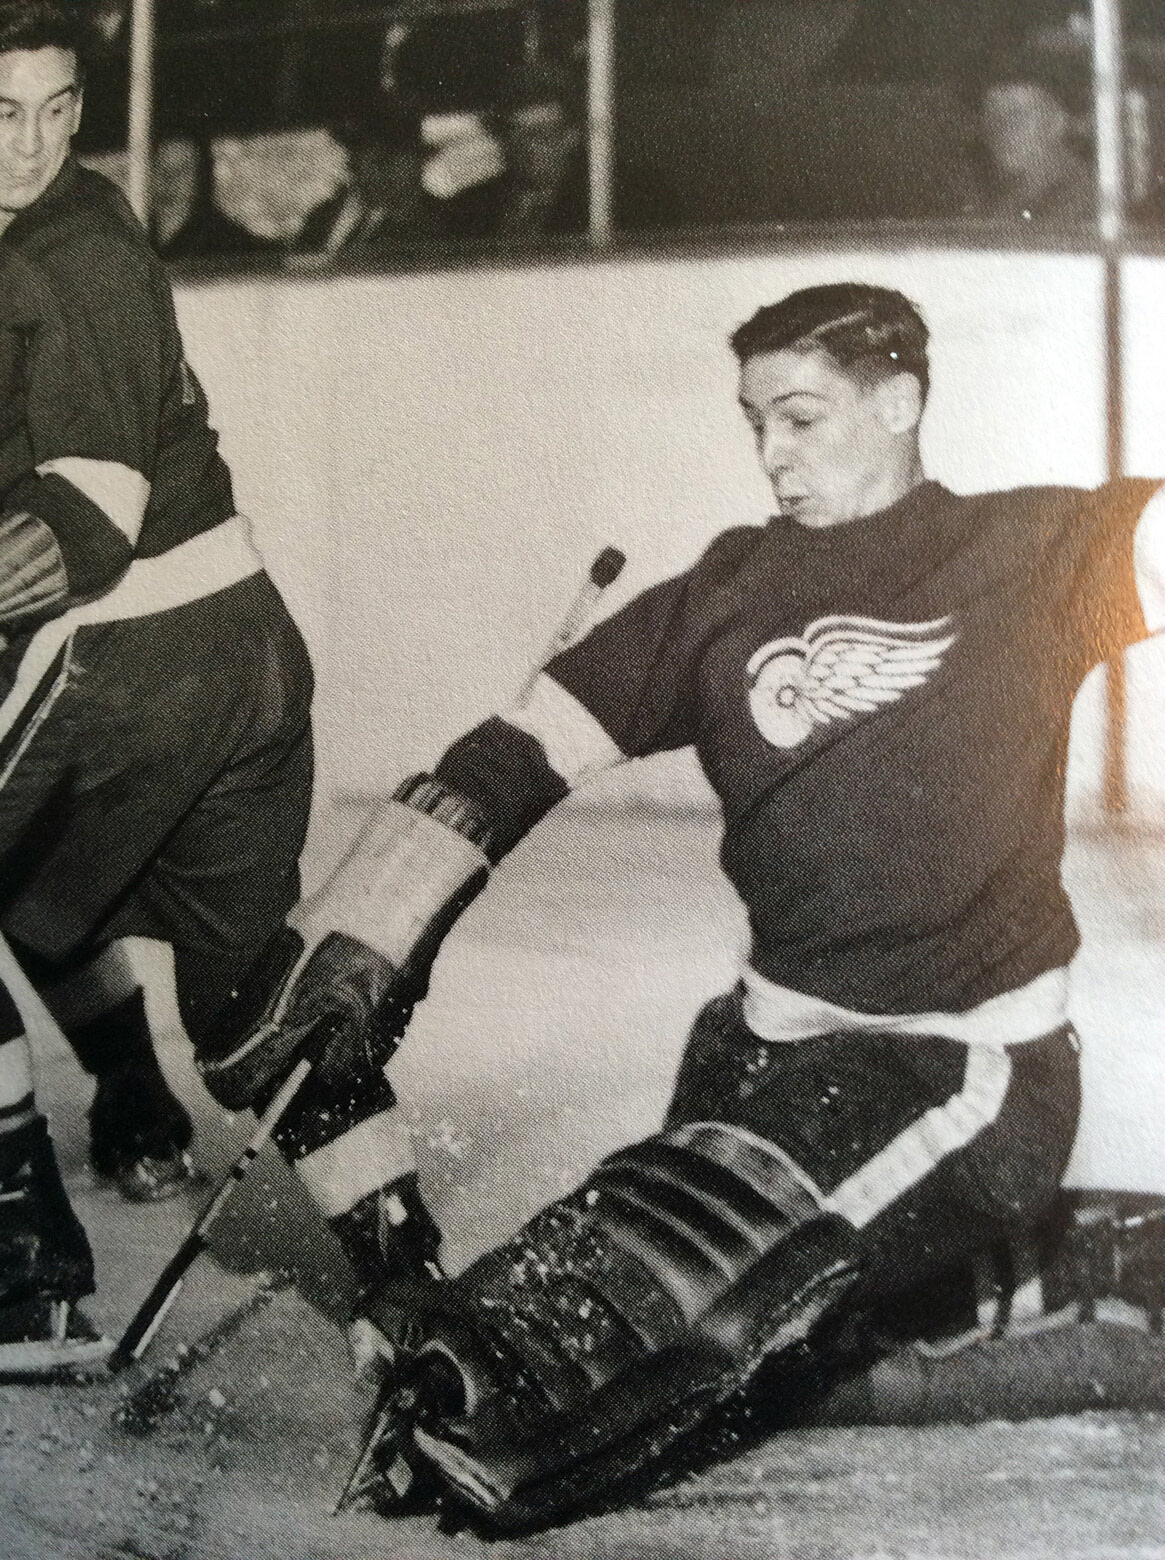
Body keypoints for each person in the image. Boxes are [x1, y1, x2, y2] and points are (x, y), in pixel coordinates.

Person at [197, 280, 1165, 1525]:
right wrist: (368, 924)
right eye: (754, 420)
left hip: (958, 1068)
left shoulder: (1029, 555)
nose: (771, 454)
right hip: (759, 1056)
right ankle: (1073, 1260)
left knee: (649, 1317)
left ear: (900, 402)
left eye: (802, 419)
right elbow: (517, 750)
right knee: (725, 1343)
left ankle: (1016, 1273)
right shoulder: (727, 587)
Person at [0, 1, 315, 1369]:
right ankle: (137, 1104)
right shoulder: (49, 224)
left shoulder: (65, 253)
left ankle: (21, 1265)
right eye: (3, 113)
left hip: (126, 639)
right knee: (41, 878)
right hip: (209, 643)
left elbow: (81, 522)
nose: (34, 144)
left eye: (59, 109)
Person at [292, 110, 442, 262]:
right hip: (385, 158)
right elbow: (360, 203)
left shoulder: (397, 171)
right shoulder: (367, 177)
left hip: (393, 161)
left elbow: (374, 203)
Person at [974, 58, 1095, 223]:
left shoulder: (1083, 200)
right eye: (993, 118)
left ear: (1056, 123)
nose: (1003, 129)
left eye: (1017, 116)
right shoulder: (1003, 195)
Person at [153, 134, 278, 264]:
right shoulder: (136, 231)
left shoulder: (229, 241)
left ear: (201, 174)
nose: (169, 178)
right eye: (160, 167)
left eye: (183, 169)